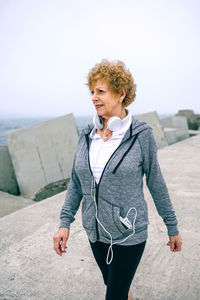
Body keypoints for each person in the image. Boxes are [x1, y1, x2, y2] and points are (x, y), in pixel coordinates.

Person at [53, 59, 182, 300]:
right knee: (119, 290)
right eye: (92, 92)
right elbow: (76, 183)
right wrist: (64, 223)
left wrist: (172, 227)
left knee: (114, 295)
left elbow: (156, 183)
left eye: (100, 91)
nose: (93, 97)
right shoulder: (86, 134)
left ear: (121, 94)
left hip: (128, 234)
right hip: (95, 233)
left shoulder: (141, 135)